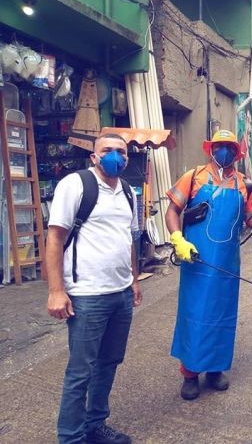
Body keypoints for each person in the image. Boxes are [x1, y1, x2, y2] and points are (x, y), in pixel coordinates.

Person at [47, 134, 142, 444]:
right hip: (87, 295)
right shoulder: (76, 185)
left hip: (121, 293)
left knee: (109, 363)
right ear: (94, 157)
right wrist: (56, 290)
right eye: (107, 150)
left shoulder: (127, 191)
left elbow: (129, 238)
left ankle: (94, 425)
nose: (115, 156)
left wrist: (133, 279)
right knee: (81, 371)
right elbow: (55, 238)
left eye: (121, 151)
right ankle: (70, 437)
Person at [165, 130, 252, 400]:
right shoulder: (194, 176)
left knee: (222, 315)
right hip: (196, 260)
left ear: (237, 153)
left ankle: (215, 369)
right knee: (194, 314)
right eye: (220, 146)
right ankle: (189, 373)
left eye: (230, 147)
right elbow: (172, 210)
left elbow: (249, 214)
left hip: (226, 263)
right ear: (210, 149)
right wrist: (177, 238)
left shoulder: (244, 183)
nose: (225, 151)